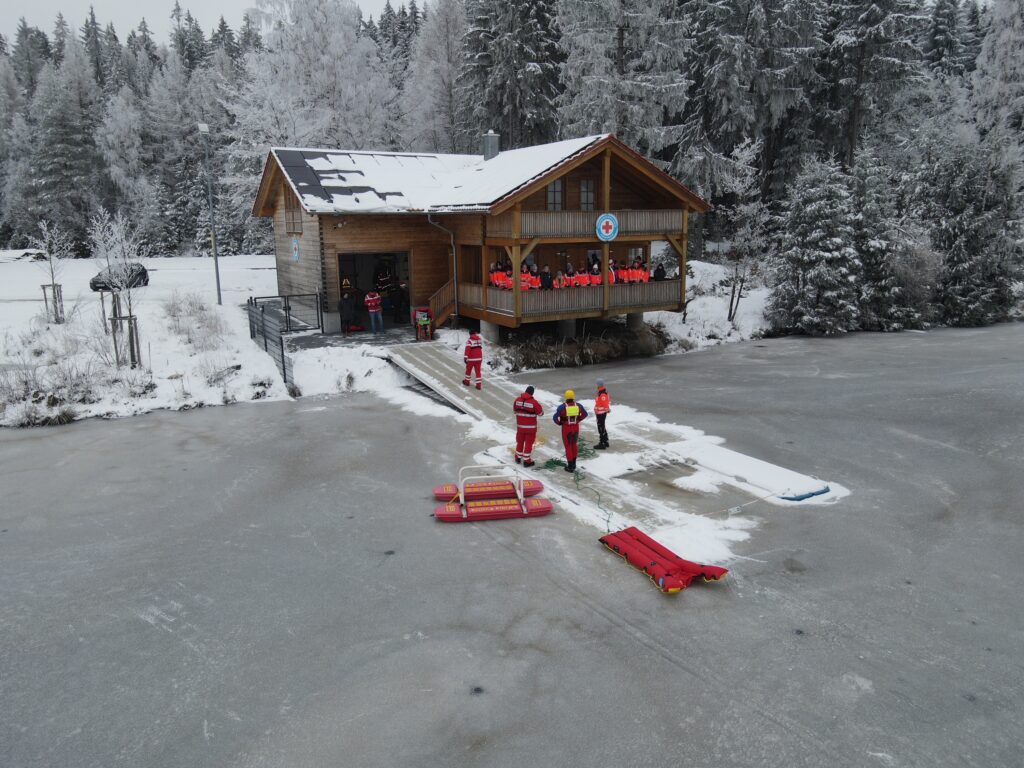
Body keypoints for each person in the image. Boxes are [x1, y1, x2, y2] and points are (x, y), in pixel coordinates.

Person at [552, 389, 588, 472]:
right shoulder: (578, 406)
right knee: (574, 444)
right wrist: (578, 420)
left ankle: (570, 466)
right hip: (575, 428)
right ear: (573, 397)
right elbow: (585, 414)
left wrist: (560, 423)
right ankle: (574, 463)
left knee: (568, 446)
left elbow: (555, 417)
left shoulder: (562, 407)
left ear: (566, 397)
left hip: (566, 429)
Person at [513, 385, 544, 467]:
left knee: (520, 442)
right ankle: (527, 461)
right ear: (532, 393)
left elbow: (515, 411)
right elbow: (541, 413)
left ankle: (518, 458)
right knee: (528, 444)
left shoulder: (517, 400)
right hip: (530, 429)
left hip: (520, 428)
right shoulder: (534, 402)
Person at [594, 379, 611, 450]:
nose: (596, 386)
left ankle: (602, 443)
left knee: (601, 427)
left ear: (599, 385)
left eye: (597, 384)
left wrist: (607, 409)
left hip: (601, 413)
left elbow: (605, 403)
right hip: (600, 413)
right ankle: (606, 441)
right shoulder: (601, 392)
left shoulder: (602, 394)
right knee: (602, 426)